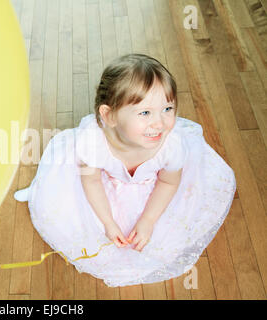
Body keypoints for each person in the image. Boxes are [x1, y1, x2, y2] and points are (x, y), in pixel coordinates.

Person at [14, 54, 236, 287]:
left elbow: (168, 183)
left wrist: (148, 220)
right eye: (145, 113)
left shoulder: (171, 145)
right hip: (97, 179)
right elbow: (92, 182)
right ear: (109, 116)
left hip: (151, 186)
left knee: (183, 209)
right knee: (61, 188)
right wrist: (109, 223)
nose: (159, 123)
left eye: (167, 108)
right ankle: (40, 188)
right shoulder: (94, 143)